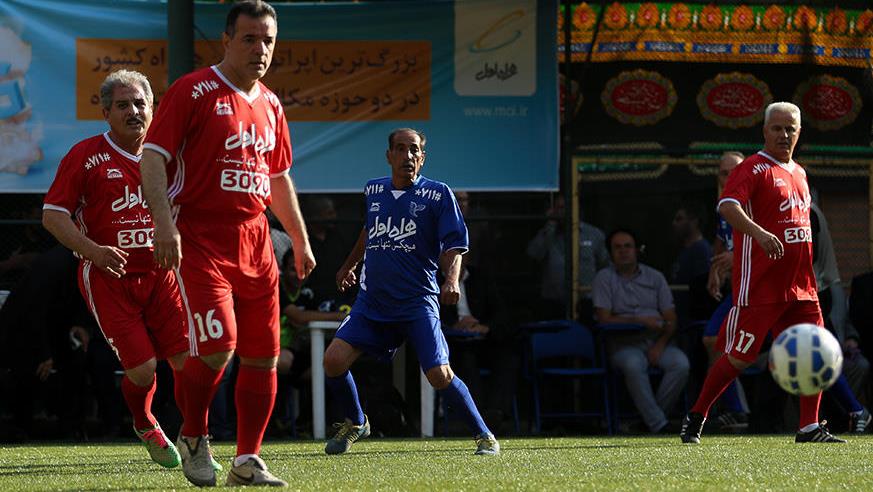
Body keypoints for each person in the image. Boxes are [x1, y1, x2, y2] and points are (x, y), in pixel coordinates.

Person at [140, 1, 315, 486]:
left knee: (263, 355)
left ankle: (247, 459)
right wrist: (163, 224)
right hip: (199, 236)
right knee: (218, 347)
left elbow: (278, 178)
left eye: (268, 41)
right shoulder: (193, 90)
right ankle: (194, 436)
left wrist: (299, 239)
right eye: (249, 39)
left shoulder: (272, 104)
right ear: (226, 40)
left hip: (256, 240)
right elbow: (152, 158)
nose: (260, 50)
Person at [41, 70, 189, 467]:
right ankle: (144, 423)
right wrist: (93, 251)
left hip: (162, 274)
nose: (133, 111)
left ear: (153, 108)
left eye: (140, 103)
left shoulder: (171, 155)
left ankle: (197, 440)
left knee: (189, 361)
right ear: (106, 113)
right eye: (122, 105)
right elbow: (53, 216)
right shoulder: (85, 155)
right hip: (110, 278)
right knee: (143, 371)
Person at [322, 128, 499, 455]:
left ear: (423, 157)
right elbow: (369, 229)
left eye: (414, 150)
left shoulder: (438, 194)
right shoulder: (374, 190)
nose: (408, 156)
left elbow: (454, 244)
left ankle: (484, 435)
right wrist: (349, 264)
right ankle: (356, 422)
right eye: (401, 149)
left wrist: (451, 280)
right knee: (333, 361)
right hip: (372, 302)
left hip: (416, 302)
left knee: (439, 374)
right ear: (389, 155)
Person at [680, 102, 844, 444]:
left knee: (812, 351)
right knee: (740, 357)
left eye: (790, 129)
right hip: (761, 286)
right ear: (764, 131)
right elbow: (727, 206)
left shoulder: (799, 173)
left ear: (799, 132)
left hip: (802, 286)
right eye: (777, 128)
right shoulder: (753, 168)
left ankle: (809, 427)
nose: (784, 134)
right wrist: (759, 233)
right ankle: (696, 416)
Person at [593, 229, 689, 433]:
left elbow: (671, 318)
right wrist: (640, 320)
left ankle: (650, 422)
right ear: (610, 253)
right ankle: (659, 425)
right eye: (617, 247)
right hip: (623, 344)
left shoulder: (656, 277)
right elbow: (604, 319)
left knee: (680, 364)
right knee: (634, 365)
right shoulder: (603, 278)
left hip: (658, 341)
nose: (623, 251)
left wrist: (660, 345)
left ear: (637, 250)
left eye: (628, 246)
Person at [701, 152, 751, 431]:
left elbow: (773, 242)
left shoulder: (755, 201)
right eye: (723, 173)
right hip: (740, 292)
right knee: (714, 341)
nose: (729, 177)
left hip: (764, 291)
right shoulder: (724, 206)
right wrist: (715, 270)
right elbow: (721, 242)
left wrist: (738, 256)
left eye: (735, 171)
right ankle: (736, 410)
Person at [526, 194, 609, 320]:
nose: (562, 212)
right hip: (553, 302)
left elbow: (605, 266)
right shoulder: (547, 234)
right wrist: (550, 225)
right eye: (557, 208)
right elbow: (534, 254)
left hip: (586, 301)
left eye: (565, 207)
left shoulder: (593, 234)